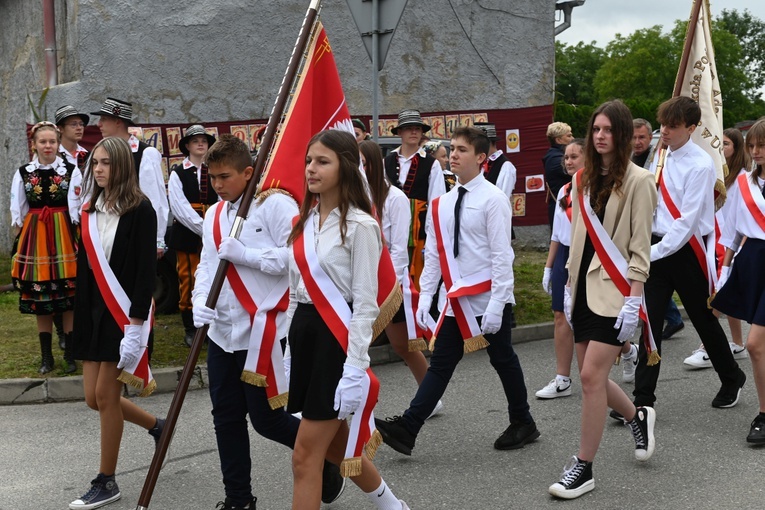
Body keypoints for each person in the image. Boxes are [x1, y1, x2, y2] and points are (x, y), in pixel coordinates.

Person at [190, 134, 343, 509]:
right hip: (223, 333)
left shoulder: (274, 205)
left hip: (263, 330)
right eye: (212, 178)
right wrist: (198, 303)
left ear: (248, 171)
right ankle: (238, 499)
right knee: (225, 420)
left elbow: (297, 257)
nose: (218, 184)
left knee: (267, 420)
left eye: (225, 176)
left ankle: (326, 457)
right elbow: (207, 266)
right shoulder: (213, 215)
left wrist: (248, 256)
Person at [375, 126, 539, 457]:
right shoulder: (442, 204)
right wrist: (425, 296)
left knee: (502, 358)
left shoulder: (493, 199)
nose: (453, 155)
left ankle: (523, 422)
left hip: (488, 298)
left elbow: (501, 255)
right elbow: (434, 255)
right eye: (452, 148)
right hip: (457, 299)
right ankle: (409, 427)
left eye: (462, 150)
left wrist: (497, 303)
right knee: (442, 364)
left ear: (480, 158)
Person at [286, 130, 409, 509]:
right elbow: (295, 291)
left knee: (305, 457)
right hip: (305, 338)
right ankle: (392, 505)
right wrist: (288, 349)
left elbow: (365, 305)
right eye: (309, 160)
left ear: (346, 167)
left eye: (322, 161)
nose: (311, 168)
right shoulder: (304, 222)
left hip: (334, 345)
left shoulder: (361, 226)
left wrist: (355, 367)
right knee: (338, 447)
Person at [549, 100, 657, 500]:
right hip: (582, 289)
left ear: (623, 134)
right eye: (595, 129)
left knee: (592, 377)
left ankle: (584, 467)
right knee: (590, 375)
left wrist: (634, 301)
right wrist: (564, 283)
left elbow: (640, 249)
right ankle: (637, 416)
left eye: (608, 129)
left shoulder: (641, 181)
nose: (599, 136)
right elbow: (579, 237)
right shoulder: (581, 179)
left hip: (616, 291)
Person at [68, 137, 165, 509]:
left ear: (122, 165)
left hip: (125, 315)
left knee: (108, 397)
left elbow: (144, 274)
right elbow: (86, 270)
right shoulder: (90, 209)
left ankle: (106, 481)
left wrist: (136, 327)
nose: (99, 170)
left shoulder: (141, 210)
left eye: (106, 163)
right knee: (93, 398)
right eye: (95, 164)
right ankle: (157, 425)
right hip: (93, 313)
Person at [633, 96, 745, 412]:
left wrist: (651, 252)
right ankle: (643, 399)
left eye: (673, 126)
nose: (664, 131)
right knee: (650, 324)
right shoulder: (660, 154)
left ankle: (732, 376)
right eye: (663, 124)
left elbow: (687, 221)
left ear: (692, 128)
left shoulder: (701, 164)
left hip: (686, 251)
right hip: (656, 247)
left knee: (703, 319)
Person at [359, 140, 441, 415]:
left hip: (388, 283)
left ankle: (430, 397)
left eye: (361, 162)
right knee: (353, 344)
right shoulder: (354, 196)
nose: (356, 168)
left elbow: (398, 248)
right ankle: (355, 403)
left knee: (403, 345)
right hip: (358, 282)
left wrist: (386, 284)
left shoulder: (394, 198)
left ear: (371, 164)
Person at [711, 119, 765, 444]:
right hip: (753, 261)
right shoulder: (742, 183)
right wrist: (725, 270)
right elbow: (733, 233)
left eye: (763, 145)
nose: (757, 152)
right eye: (753, 146)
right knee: (759, 345)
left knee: (756, 343)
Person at [10, 121, 78, 374]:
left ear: (58, 143)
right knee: (41, 298)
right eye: (43, 142)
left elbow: (77, 209)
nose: (47, 146)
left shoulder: (71, 170)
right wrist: (21, 245)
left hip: (64, 238)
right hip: (36, 237)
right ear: (34, 144)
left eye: (52, 141)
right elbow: (18, 211)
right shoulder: (24, 172)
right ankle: (46, 357)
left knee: (68, 298)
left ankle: (70, 355)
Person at [684, 127, 751, 367]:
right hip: (715, 241)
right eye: (719, 144)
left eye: (726, 144)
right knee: (726, 296)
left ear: (736, 148)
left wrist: (736, 249)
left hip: (735, 245)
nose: (721, 148)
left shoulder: (743, 177)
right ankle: (737, 343)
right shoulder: (716, 174)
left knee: (718, 296)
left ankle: (709, 347)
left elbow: (743, 217)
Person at [90, 97, 169, 260]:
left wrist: (157, 240)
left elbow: (155, 198)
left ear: (118, 121)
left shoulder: (145, 153)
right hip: (106, 225)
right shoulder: (100, 151)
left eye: (104, 119)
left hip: (134, 226)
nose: (99, 124)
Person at [632, 118, 686, 340]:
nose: (637, 142)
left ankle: (673, 319)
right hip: (639, 224)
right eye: (633, 137)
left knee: (652, 277)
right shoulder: (631, 159)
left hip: (659, 228)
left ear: (650, 138)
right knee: (648, 279)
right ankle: (667, 319)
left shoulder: (658, 158)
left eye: (642, 137)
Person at [536, 139, 581, 399]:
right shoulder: (564, 190)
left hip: (586, 256)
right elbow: (556, 234)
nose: (568, 161)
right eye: (566, 157)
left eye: (575, 156)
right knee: (560, 316)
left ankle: (628, 352)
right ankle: (563, 378)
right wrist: (548, 267)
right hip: (563, 254)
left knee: (590, 319)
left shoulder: (595, 190)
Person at [167, 125, 218, 348]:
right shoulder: (178, 172)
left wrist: (215, 228)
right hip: (189, 233)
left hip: (215, 229)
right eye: (195, 140)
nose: (200, 144)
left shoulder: (214, 170)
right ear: (187, 146)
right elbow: (179, 207)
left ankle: (212, 324)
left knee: (214, 275)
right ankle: (190, 327)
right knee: (188, 278)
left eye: (204, 140)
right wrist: (202, 228)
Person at [384, 109, 446, 288]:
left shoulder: (431, 164)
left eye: (417, 129)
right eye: (409, 128)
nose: (414, 132)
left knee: (416, 274)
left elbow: (436, 202)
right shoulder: (387, 161)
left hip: (419, 226)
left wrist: (430, 237)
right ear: (400, 132)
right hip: (391, 224)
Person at [543, 121, 574, 228]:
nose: (572, 139)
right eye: (569, 136)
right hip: (561, 207)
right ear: (559, 140)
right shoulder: (555, 159)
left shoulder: (556, 155)